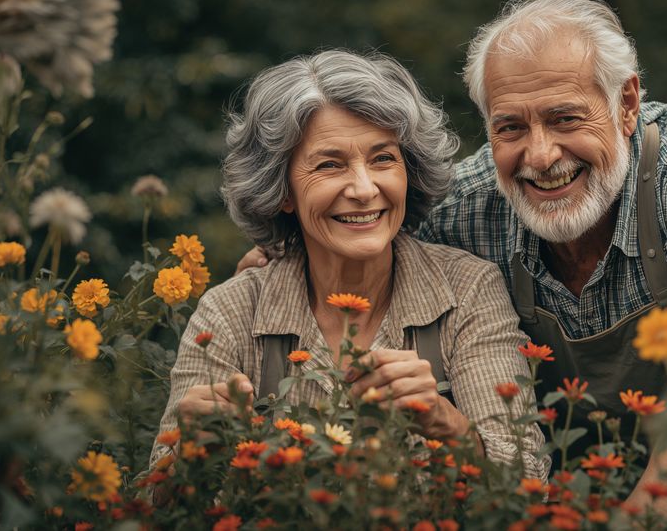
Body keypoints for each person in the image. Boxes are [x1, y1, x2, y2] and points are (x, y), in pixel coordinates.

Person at [238, 0, 667, 506]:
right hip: (570, 501)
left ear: (628, 103)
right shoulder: (462, 207)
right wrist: (280, 262)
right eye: (510, 127)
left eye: (565, 118)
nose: (539, 156)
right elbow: (353, 240)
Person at [152, 50, 548, 480]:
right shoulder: (229, 313)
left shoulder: (468, 290)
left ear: (408, 171)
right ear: (281, 190)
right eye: (329, 165)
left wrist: (446, 424)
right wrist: (186, 458)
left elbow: (527, 485)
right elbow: (145, 506)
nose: (364, 188)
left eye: (382, 159)